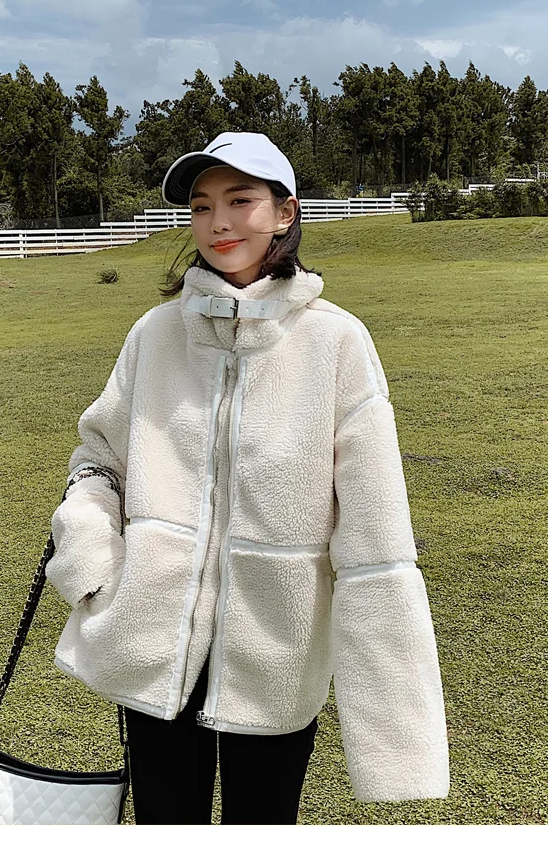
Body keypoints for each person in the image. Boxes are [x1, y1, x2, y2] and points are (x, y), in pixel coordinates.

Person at [45, 131, 450, 825]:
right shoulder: (155, 334)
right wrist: (86, 537)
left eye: (241, 200)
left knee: (263, 824)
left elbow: (376, 531)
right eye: (202, 206)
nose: (219, 223)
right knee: (166, 822)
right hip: (153, 644)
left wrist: (394, 730)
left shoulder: (337, 342)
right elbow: (98, 458)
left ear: (285, 212)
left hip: (277, 650)